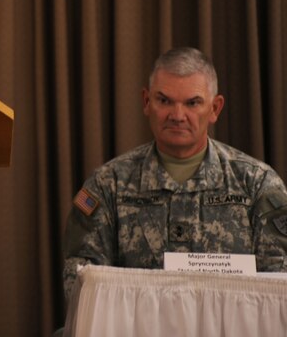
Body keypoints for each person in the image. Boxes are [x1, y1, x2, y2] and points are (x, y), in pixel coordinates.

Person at [62, 47, 287, 300]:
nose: (178, 116)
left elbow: (280, 286)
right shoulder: (108, 185)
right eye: (165, 100)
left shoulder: (257, 184)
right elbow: (81, 281)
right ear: (147, 102)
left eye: (192, 103)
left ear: (215, 108)